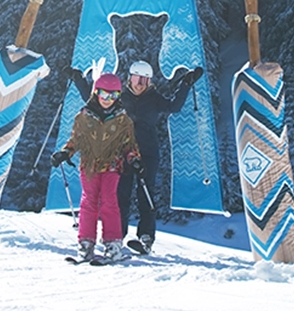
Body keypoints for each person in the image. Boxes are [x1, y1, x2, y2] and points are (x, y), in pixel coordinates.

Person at [69, 59, 203, 254]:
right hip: (120, 154)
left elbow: (174, 107)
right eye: (137, 78)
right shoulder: (120, 96)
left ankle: (146, 238)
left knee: (145, 195)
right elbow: (95, 100)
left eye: (145, 80)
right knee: (119, 196)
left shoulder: (154, 98)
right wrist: (79, 80)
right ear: (129, 78)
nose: (140, 84)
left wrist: (186, 83)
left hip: (147, 153)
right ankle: (116, 237)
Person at [52, 73, 140, 263]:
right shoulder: (83, 116)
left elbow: (129, 145)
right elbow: (75, 140)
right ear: (96, 93)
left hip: (112, 166)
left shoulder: (123, 119)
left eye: (113, 96)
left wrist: (134, 159)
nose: (107, 100)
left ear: (118, 96)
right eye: (103, 94)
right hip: (89, 166)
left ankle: (113, 246)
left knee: (109, 202)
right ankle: (86, 245)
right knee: (88, 203)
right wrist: (65, 153)